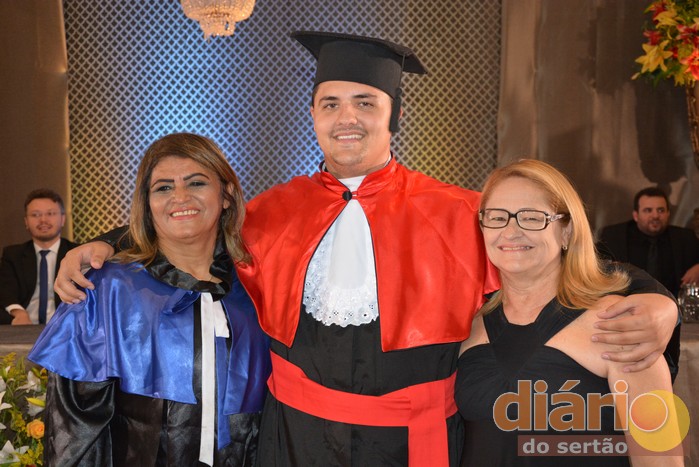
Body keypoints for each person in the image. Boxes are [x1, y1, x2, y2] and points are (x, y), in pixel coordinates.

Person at [53, 33, 679, 466]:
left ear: (392, 116)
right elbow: (186, 229)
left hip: (412, 443)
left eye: (364, 103)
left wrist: (657, 301)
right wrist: (100, 247)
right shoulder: (269, 212)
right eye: (330, 103)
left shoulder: (460, 210)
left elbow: (559, 254)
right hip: (293, 440)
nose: (345, 117)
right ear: (313, 115)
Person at [28, 133, 271, 466]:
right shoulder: (107, 290)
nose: (180, 197)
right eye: (164, 188)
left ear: (226, 194)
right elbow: (75, 431)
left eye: (196, 182)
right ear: (147, 203)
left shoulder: (257, 287)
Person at [456, 159, 683, 466]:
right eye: (497, 217)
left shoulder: (619, 325)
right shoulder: (469, 327)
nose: (510, 231)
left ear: (567, 232)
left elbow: (660, 460)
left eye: (532, 217)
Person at [597, 186, 699, 380]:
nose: (655, 215)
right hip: (629, 318)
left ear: (668, 214)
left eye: (660, 210)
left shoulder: (684, 238)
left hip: (677, 319)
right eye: (648, 210)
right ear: (636, 215)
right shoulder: (613, 236)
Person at [0, 189, 78, 325]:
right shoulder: (13, 254)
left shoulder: (77, 253)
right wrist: (18, 312)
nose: (43, 220)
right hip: (25, 326)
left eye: (50, 213)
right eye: (35, 215)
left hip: (66, 326)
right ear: (26, 221)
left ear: (63, 219)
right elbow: (6, 291)